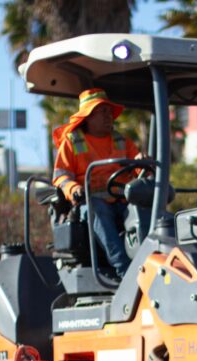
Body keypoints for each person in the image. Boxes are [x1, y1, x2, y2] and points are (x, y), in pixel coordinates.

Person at [52, 88, 141, 279]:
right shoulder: (71, 142)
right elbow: (61, 176)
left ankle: (148, 262)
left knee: (143, 209)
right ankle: (125, 271)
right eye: (103, 112)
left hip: (122, 199)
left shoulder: (121, 141)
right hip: (90, 202)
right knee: (98, 211)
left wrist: (143, 162)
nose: (109, 116)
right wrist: (73, 188)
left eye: (109, 112)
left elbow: (139, 165)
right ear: (88, 117)